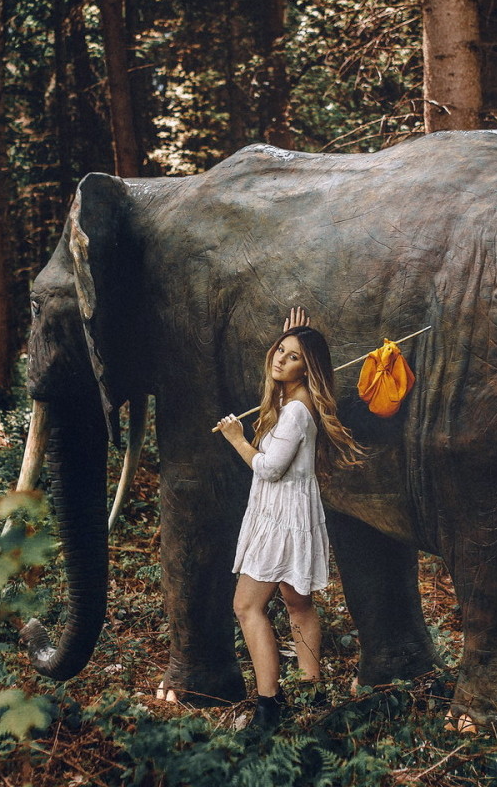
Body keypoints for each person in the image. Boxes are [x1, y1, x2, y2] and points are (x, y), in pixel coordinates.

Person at [216, 306, 362, 732]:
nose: (280, 358)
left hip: (282, 516)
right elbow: (285, 382)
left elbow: (268, 468)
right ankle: (312, 688)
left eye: (292, 356)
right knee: (298, 604)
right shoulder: (292, 399)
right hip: (291, 511)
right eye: (279, 351)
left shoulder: (298, 410)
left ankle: (269, 704)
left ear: (308, 367)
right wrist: (294, 340)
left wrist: (236, 439)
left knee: (246, 606)